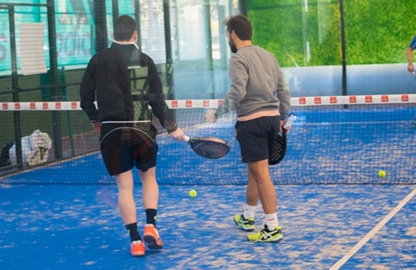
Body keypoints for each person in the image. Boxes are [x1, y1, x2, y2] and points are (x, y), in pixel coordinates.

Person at [80, 15, 185, 257]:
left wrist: (95, 119)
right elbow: (157, 100)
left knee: (124, 188)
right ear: (135, 34)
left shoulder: (98, 60)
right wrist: (172, 127)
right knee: (149, 180)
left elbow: (85, 96)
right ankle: (151, 226)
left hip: (112, 132)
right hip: (141, 131)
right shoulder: (145, 60)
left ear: (112, 34)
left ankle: (136, 241)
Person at [205, 14, 291, 243]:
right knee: (256, 169)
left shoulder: (238, 59)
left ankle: (272, 227)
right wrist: (282, 116)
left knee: (261, 173)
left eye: (227, 35)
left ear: (233, 34)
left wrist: (217, 113)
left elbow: (238, 91)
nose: (228, 39)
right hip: (272, 120)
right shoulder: (269, 56)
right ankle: (248, 216)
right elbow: (283, 89)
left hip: (252, 122)